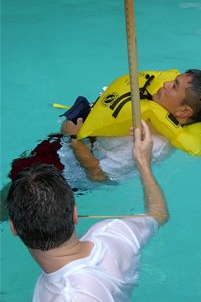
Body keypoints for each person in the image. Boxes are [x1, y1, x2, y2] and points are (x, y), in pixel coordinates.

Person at [7, 120, 169, 301]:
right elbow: (158, 214)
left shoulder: (68, 295)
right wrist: (143, 163)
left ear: (13, 228)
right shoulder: (112, 233)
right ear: (75, 214)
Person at [60, 68, 201, 182]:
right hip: (70, 145)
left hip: (68, 176)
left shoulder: (151, 144)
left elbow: (99, 176)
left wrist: (74, 139)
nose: (165, 84)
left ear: (183, 111)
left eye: (174, 86)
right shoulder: (152, 104)